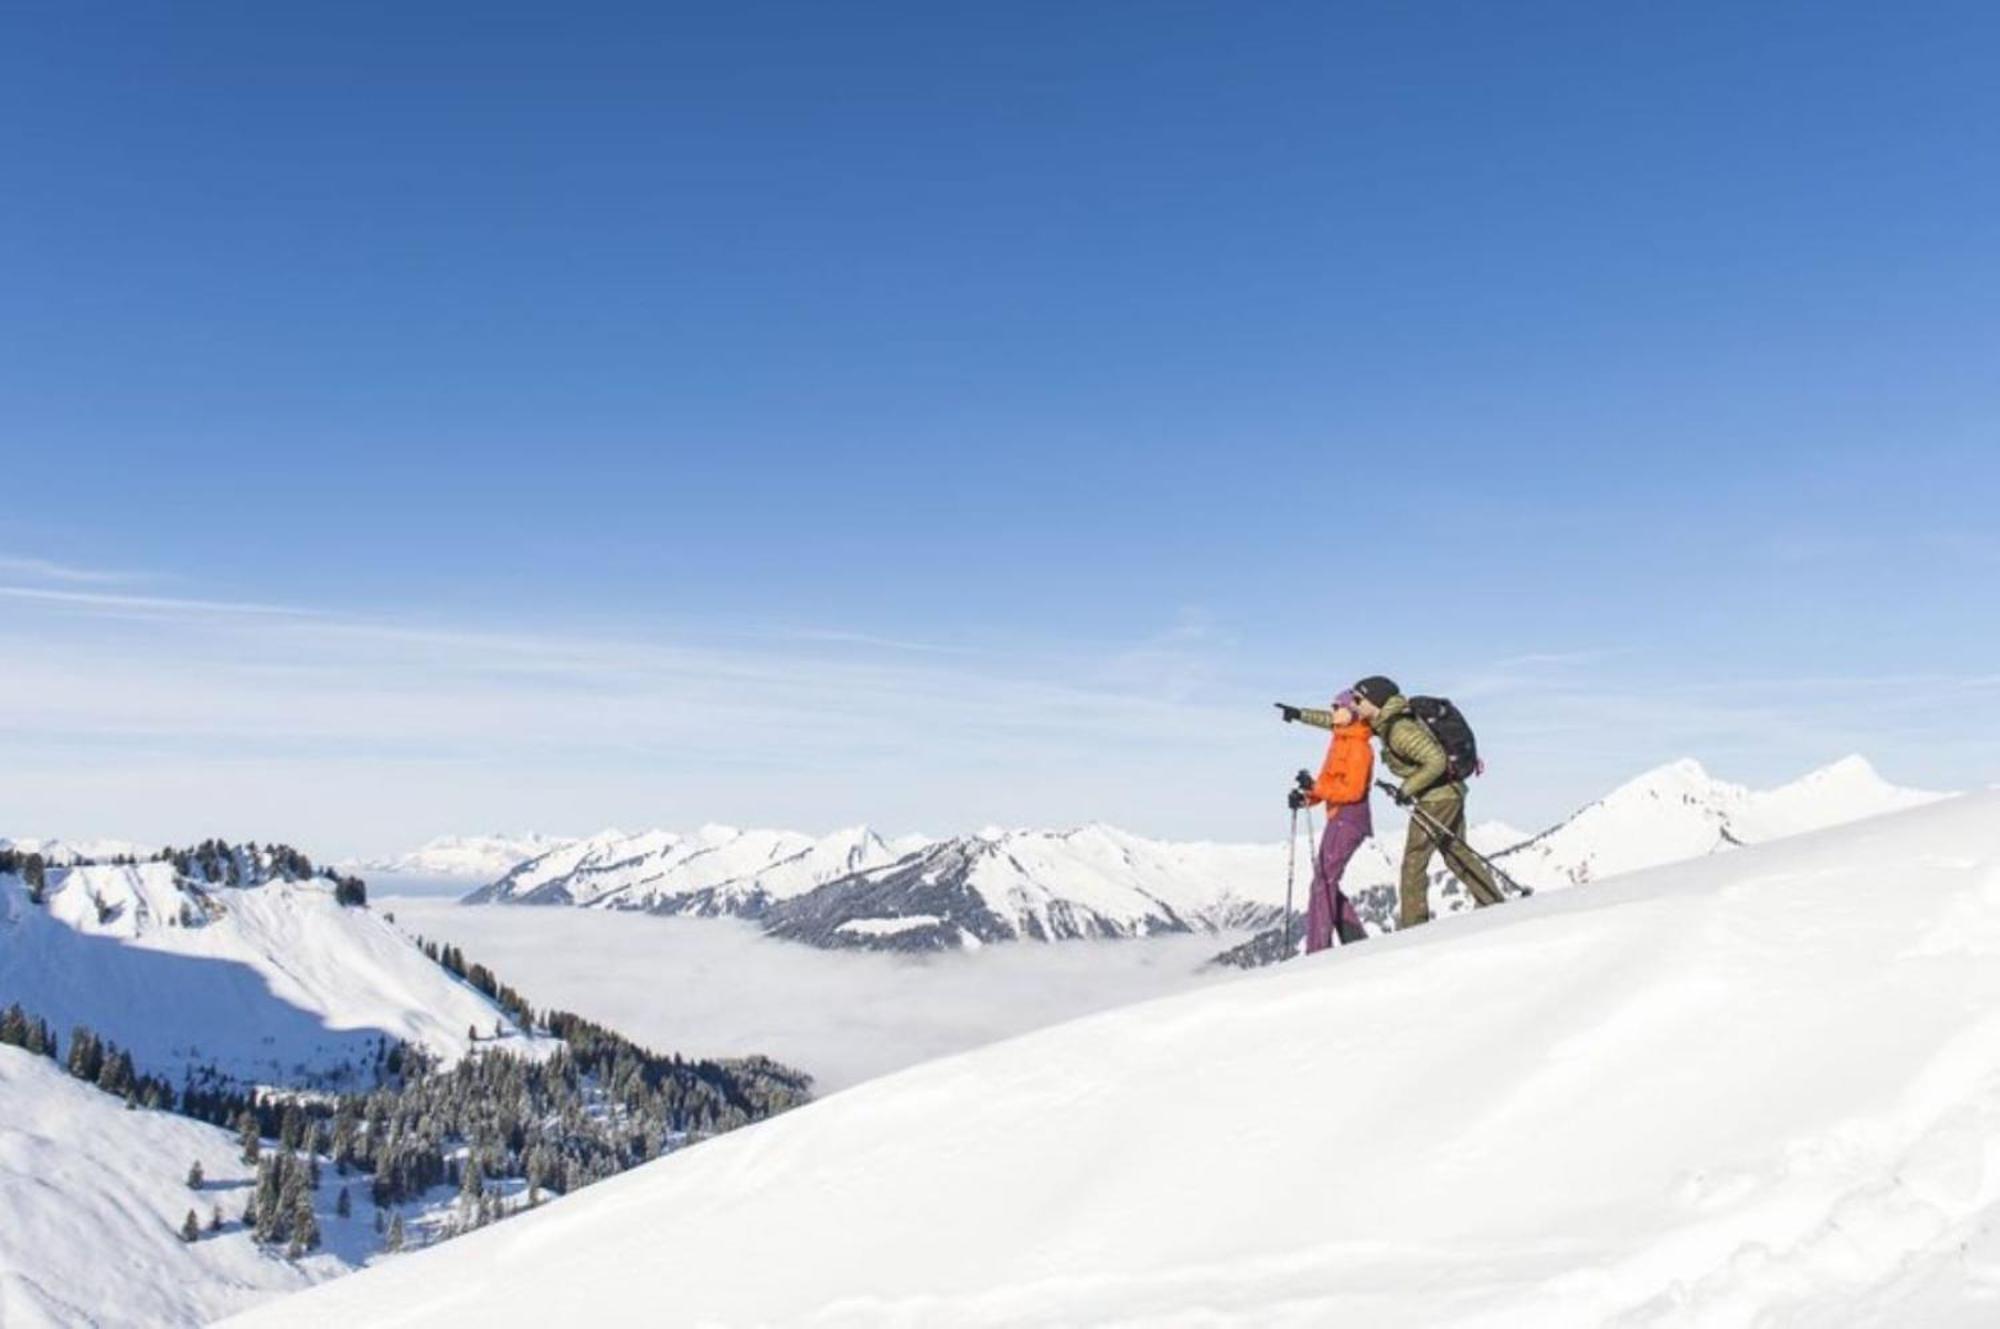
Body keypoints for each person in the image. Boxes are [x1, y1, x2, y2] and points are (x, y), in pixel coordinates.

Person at [1348, 674, 1504, 930]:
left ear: (1374, 701)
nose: (1353, 705)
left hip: (1437, 799)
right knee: (1456, 853)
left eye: (1358, 699)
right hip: (1448, 794)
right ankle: (1494, 903)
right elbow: (1338, 723)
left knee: (1414, 862)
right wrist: (1300, 715)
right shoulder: (1386, 722)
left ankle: (1414, 929)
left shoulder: (1399, 730)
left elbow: (1436, 761)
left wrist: (1407, 789)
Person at [1278, 691, 1372, 951]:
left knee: (1322, 881)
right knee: (1325, 880)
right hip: (1338, 817)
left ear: (1352, 711)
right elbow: (1329, 785)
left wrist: (1316, 787)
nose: (1333, 711)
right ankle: (1354, 940)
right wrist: (1307, 797)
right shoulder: (1339, 741)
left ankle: (1319, 950)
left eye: (1337, 707)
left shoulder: (1359, 747)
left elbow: (1353, 791)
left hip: (1350, 818)